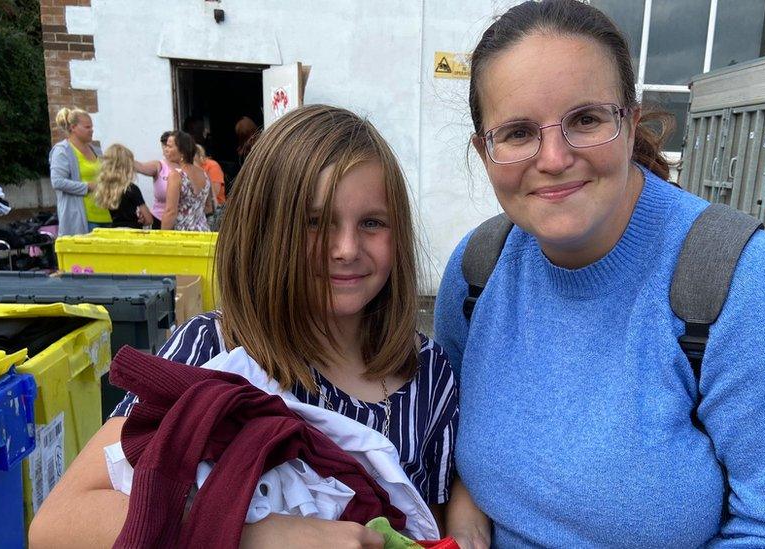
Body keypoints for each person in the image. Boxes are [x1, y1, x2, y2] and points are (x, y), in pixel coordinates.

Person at [434, 1, 765, 548]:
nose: (555, 158)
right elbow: (449, 431)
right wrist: (465, 498)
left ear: (630, 122)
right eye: (518, 132)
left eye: (586, 120)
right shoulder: (477, 273)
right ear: (485, 151)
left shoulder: (750, 296)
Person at [29, 104, 459, 548]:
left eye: (372, 223)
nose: (347, 248)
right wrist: (250, 535)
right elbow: (57, 524)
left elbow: (434, 521)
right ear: (264, 231)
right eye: (314, 222)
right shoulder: (212, 347)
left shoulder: (429, 371)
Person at [49, 107, 104, 236]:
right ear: (73, 127)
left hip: (105, 215)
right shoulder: (62, 151)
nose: (92, 130)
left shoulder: (96, 150)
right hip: (82, 219)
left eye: (91, 127)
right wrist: (87, 186)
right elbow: (57, 182)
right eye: (87, 127)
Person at [161, 131, 213, 231]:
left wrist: (161, 238)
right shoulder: (204, 174)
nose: (166, 149)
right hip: (203, 231)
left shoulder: (176, 175)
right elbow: (208, 207)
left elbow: (170, 212)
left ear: (182, 152)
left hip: (184, 236)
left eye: (169, 146)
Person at [93, 144, 153, 229]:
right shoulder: (131, 189)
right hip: (132, 232)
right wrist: (141, 220)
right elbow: (149, 219)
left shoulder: (105, 189)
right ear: (127, 165)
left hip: (114, 231)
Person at [134, 131, 181, 229]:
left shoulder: (187, 166)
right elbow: (141, 167)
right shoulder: (159, 165)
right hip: (160, 219)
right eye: (164, 145)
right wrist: (123, 157)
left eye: (169, 146)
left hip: (183, 221)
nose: (166, 149)